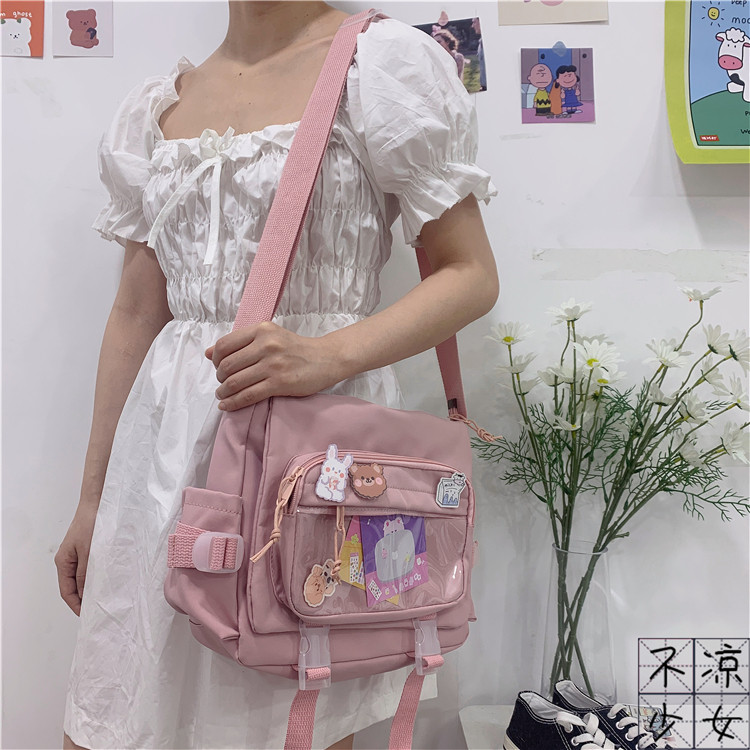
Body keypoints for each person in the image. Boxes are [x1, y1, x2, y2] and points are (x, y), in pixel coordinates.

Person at [55, 2, 499, 749]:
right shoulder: (158, 106)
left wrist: (332, 354)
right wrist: (94, 498)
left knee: (291, 708)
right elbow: (136, 312)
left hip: (311, 461)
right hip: (162, 466)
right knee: (120, 709)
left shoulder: (381, 66)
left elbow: (471, 274)